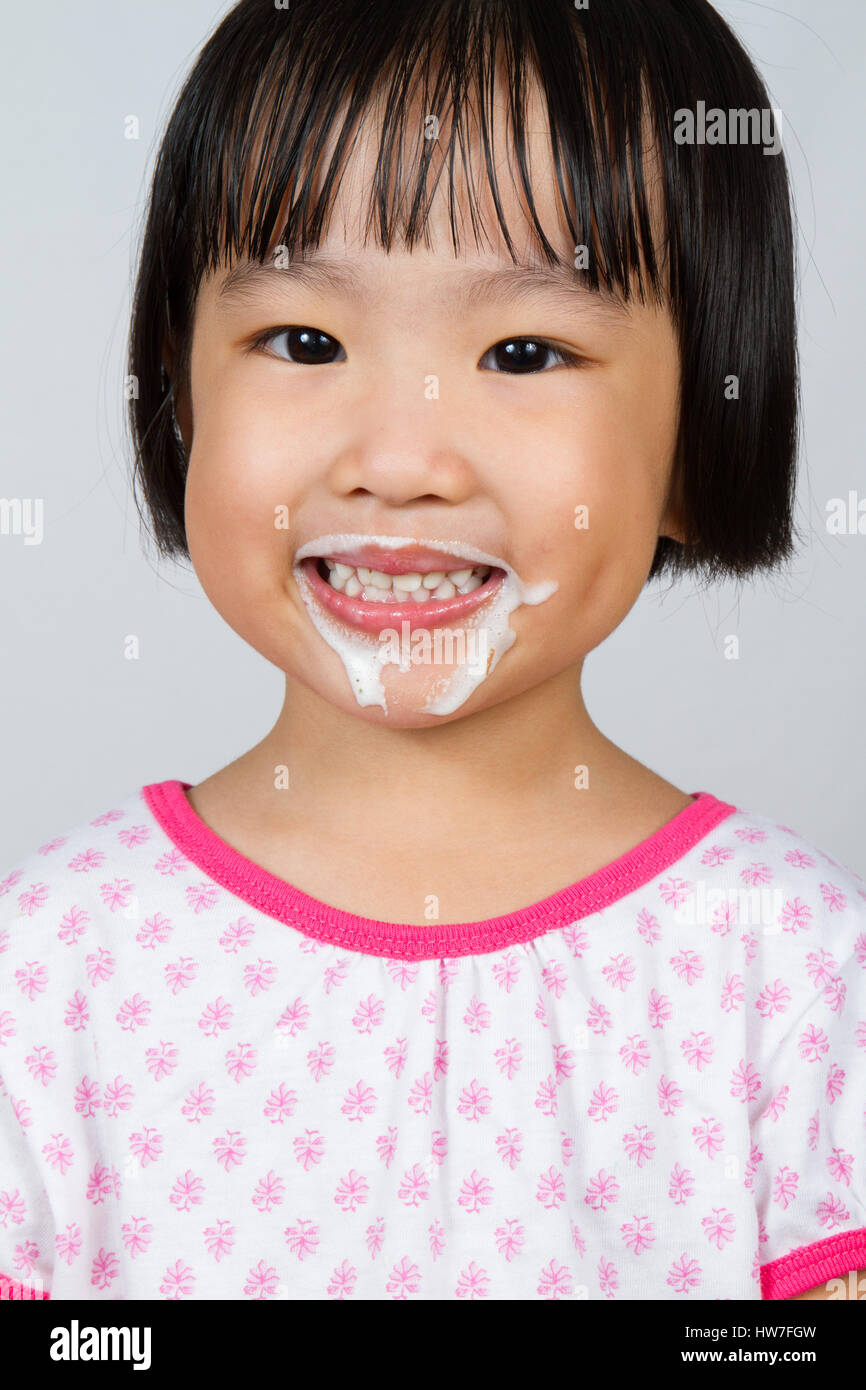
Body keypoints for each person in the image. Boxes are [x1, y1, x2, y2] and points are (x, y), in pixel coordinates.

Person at [1, 0, 863, 1301]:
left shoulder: (787, 971)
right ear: (178, 399)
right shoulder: (53, 968)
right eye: (303, 342)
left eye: (523, 351)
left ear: (699, 441)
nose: (398, 462)